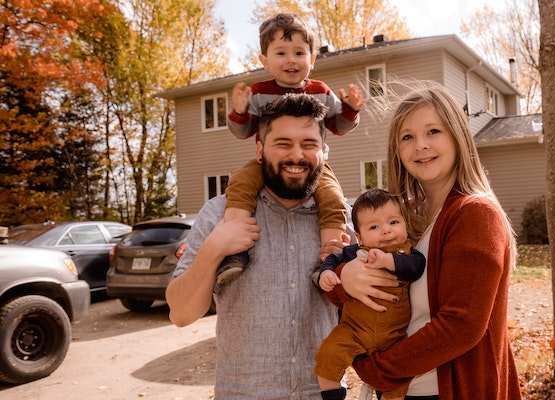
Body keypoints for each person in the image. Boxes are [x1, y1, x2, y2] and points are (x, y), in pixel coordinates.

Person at [332, 84, 522, 399]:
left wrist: (374, 369)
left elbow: (460, 327)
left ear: (457, 137)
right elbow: (350, 285)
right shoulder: (403, 220)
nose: (420, 145)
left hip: (445, 391)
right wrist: (344, 277)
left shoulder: (475, 214)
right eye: (407, 137)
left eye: (433, 131)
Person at [165, 94, 344, 399]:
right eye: (283, 143)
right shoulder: (218, 214)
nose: (297, 155)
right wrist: (213, 249)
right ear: (260, 150)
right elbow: (181, 314)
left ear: (323, 152)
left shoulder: (342, 223)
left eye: (309, 144)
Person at [218, 12, 364, 285]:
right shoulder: (259, 92)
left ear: (312, 58)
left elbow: (338, 126)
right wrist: (239, 112)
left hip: (315, 168)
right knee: (240, 184)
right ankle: (234, 251)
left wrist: (351, 110)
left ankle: (331, 259)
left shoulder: (320, 91)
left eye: (299, 52)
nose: (291, 60)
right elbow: (244, 131)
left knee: (333, 198)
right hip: (267, 165)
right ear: (264, 60)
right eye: (281, 53)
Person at [315, 189, 426, 400]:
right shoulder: (356, 251)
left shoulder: (408, 253)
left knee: (400, 377)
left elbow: (416, 268)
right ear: (359, 236)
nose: (386, 231)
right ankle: (332, 395)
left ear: (405, 223)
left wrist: (389, 261)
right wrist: (327, 272)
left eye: (393, 222)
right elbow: (333, 258)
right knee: (328, 354)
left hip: (394, 336)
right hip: (354, 329)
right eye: (374, 227)